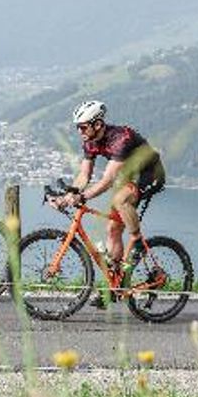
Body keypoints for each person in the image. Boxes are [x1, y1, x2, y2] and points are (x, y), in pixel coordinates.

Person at [49, 100, 165, 297]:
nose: (80, 132)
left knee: (120, 200)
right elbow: (84, 176)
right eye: (78, 127)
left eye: (83, 127)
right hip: (128, 177)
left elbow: (108, 180)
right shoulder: (90, 141)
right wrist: (67, 196)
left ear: (98, 124)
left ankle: (137, 241)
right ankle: (117, 283)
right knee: (112, 229)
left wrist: (83, 197)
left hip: (150, 174)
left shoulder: (120, 139)